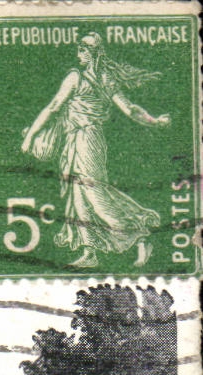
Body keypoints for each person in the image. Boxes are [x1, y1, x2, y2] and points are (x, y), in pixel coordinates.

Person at [21, 33, 171, 269]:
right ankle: (90, 251)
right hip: (77, 140)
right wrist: (155, 121)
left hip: (87, 140)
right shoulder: (105, 78)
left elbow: (53, 107)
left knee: (94, 194)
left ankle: (140, 234)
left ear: (91, 53)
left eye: (82, 50)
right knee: (78, 195)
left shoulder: (77, 77)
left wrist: (30, 136)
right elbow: (130, 109)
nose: (78, 55)